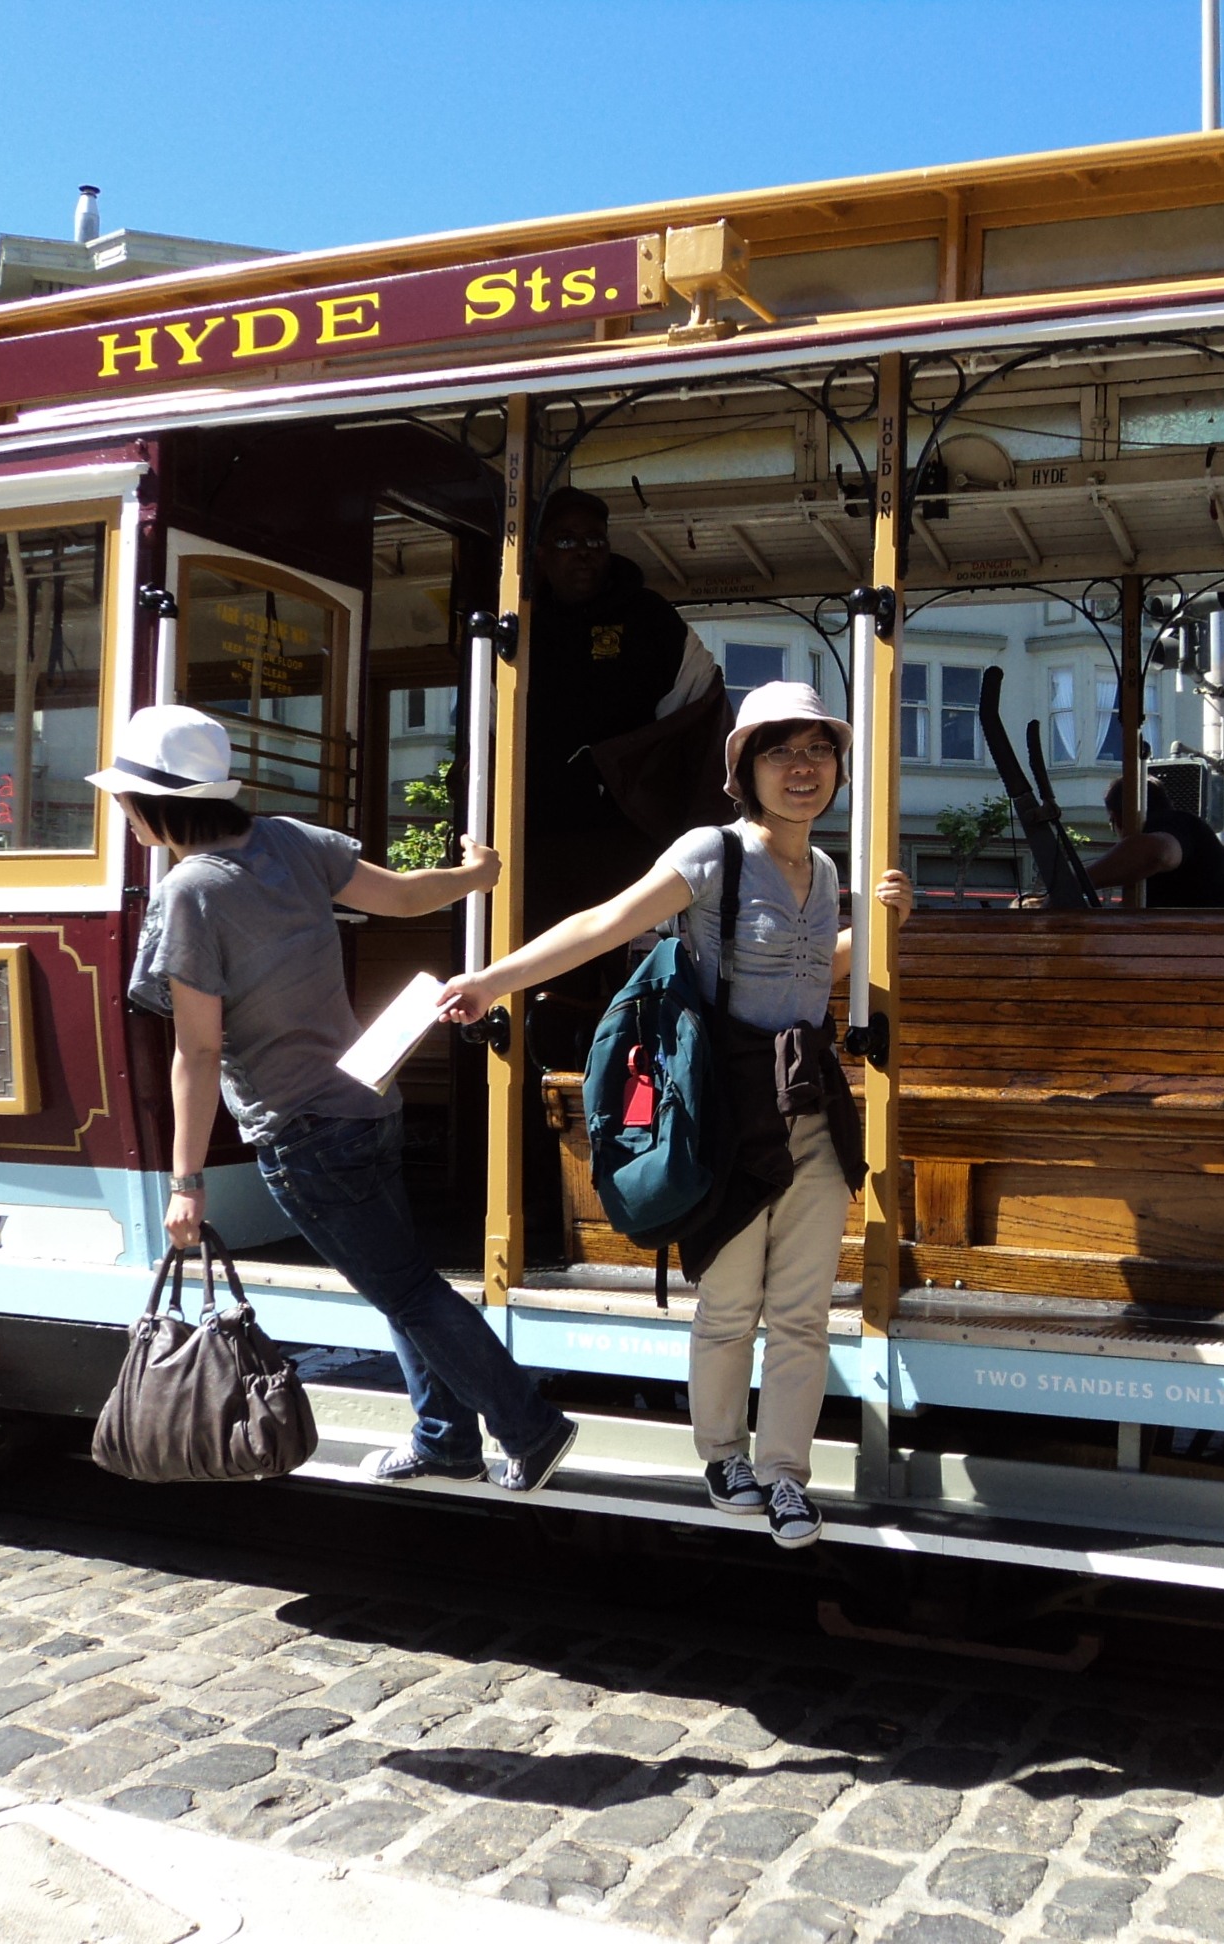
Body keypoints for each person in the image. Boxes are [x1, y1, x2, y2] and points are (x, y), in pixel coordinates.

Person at [442, 682, 910, 1550]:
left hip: (809, 1107)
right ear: (745, 768)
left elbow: (810, 972)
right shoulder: (711, 854)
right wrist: (491, 981)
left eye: (818, 749)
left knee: (803, 1312)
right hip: (728, 1115)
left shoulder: (826, 871)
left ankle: (786, 1475)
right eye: (779, 749)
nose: (802, 766)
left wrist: (885, 927)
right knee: (730, 1304)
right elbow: (604, 922)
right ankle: (724, 1457)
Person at [95, 704, 577, 1493]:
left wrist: (185, 1181)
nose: (122, 810)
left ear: (157, 804)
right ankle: (444, 1439)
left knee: (407, 1288)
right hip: (365, 1103)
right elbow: (407, 897)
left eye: (125, 798)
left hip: (302, 1130)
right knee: (400, 1283)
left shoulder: (189, 892)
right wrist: (477, 877)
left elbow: (198, 1049)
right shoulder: (289, 840)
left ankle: (530, 1426)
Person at [518, 485, 731, 1255]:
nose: (583, 554)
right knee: (535, 1018)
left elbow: (704, 709)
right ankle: (536, 1194)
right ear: (539, 554)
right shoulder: (518, 621)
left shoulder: (649, 621)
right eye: (566, 541)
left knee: (629, 1019)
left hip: (626, 853)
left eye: (594, 539)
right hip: (532, 855)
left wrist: (632, 779)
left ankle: (637, 1189)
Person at [1085, 778, 1224, 908]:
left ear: (1116, 818)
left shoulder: (1175, 823)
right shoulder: (1191, 833)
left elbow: (1159, 852)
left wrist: (1079, 882)